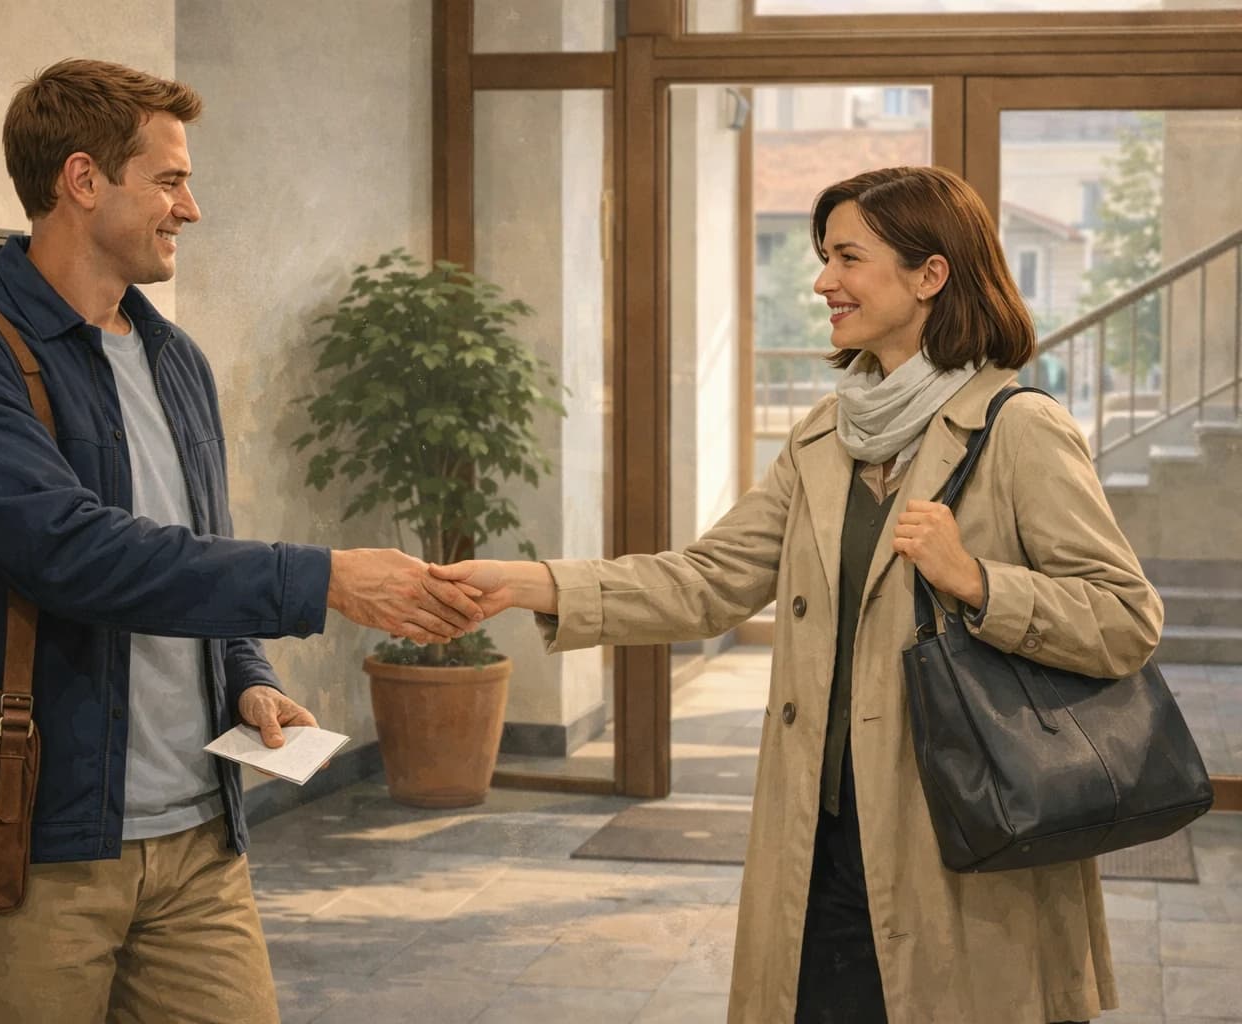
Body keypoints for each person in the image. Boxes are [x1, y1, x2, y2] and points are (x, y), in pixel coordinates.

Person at [432, 166, 1161, 1024]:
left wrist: (977, 582)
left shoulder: (1018, 426)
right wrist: (533, 582)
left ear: (931, 276)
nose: (822, 281)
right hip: (820, 841)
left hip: (964, 837)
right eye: (824, 257)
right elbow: (708, 581)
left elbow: (1124, 616)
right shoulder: (827, 436)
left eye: (848, 258)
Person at [0, 58, 483, 1024]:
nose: (189, 208)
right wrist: (323, 576)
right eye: (168, 180)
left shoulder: (173, 356)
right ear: (83, 181)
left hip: (202, 847)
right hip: (33, 853)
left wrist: (243, 667)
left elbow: (195, 547)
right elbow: (74, 555)